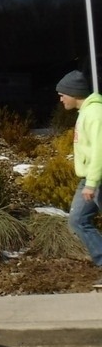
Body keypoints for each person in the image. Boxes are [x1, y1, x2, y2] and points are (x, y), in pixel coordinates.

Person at [57, 70, 102, 268]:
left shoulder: (95, 113)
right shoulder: (86, 112)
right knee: (78, 220)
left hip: (96, 179)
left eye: (62, 95)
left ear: (74, 93)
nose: (61, 100)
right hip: (90, 179)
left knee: (78, 220)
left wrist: (92, 184)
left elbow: (100, 151)